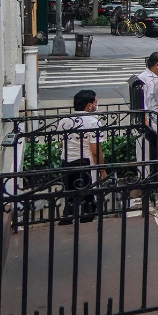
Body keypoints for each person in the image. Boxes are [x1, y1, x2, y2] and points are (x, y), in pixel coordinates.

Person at [56, 89, 103, 222]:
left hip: (67, 162)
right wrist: (102, 169)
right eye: (96, 102)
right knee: (88, 199)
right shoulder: (93, 122)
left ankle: (67, 223)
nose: (97, 104)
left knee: (70, 198)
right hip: (85, 163)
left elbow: (62, 142)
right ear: (89, 105)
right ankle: (86, 226)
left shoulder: (65, 120)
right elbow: (96, 151)